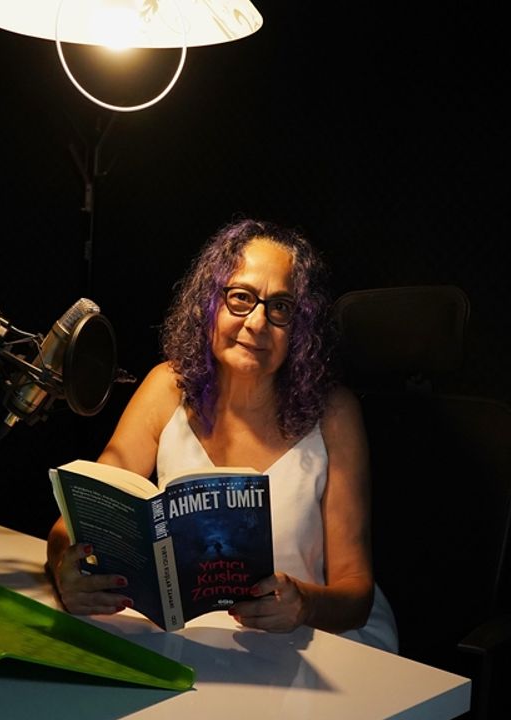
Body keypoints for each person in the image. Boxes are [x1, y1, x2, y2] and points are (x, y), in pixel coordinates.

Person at [46, 217, 398, 652]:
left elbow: (356, 594)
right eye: (241, 298)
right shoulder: (165, 386)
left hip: (311, 642)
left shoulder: (335, 413)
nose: (257, 322)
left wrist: (303, 605)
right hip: (189, 640)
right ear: (209, 303)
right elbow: (76, 521)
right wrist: (64, 567)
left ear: (300, 326)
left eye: (281, 307)